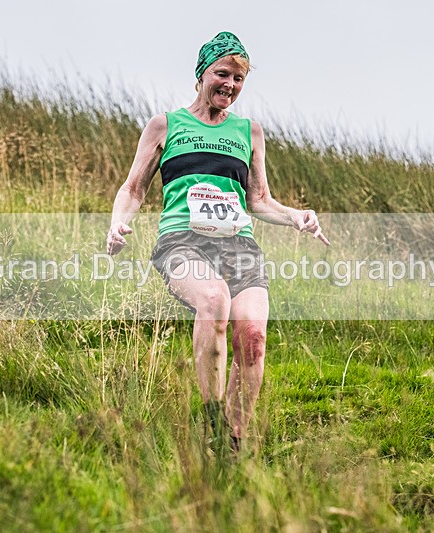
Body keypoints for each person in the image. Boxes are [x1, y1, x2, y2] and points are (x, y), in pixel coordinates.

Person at [107, 31, 329, 453]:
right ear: (201, 74)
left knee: (253, 334)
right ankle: (211, 420)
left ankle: (232, 440)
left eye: (239, 78)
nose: (230, 84)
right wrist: (118, 222)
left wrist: (297, 217)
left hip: (239, 245)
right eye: (222, 74)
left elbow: (259, 200)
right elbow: (133, 188)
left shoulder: (250, 131)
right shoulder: (166, 125)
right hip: (182, 241)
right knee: (214, 300)